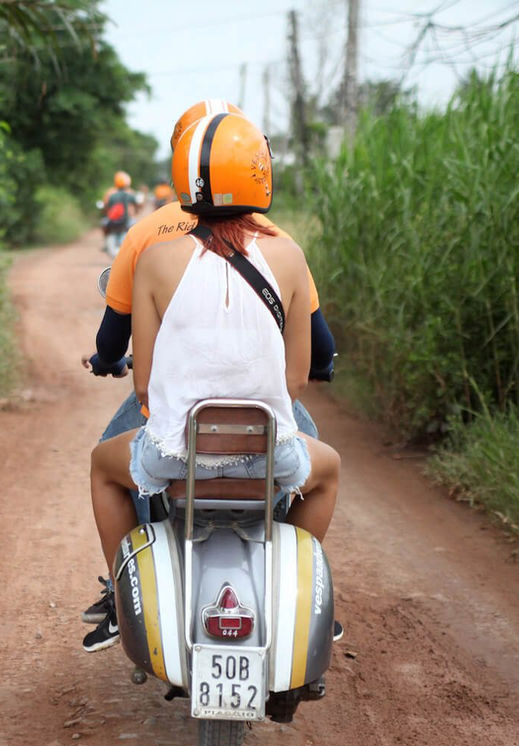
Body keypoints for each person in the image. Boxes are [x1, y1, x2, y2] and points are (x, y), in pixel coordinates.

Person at [81, 111, 341, 652]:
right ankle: (289, 588)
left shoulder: (154, 259)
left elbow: (146, 387)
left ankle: (125, 595)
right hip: (269, 455)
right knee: (329, 470)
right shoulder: (289, 257)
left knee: (103, 467)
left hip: (175, 456)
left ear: (183, 180)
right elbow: (296, 380)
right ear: (259, 174)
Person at [100, 171, 137, 258]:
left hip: (112, 219)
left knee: (103, 224)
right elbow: (136, 203)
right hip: (126, 219)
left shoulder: (110, 193)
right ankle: (133, 246)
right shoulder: (130, 193)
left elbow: (106, 206)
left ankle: (106, 243)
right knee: (135, 226)